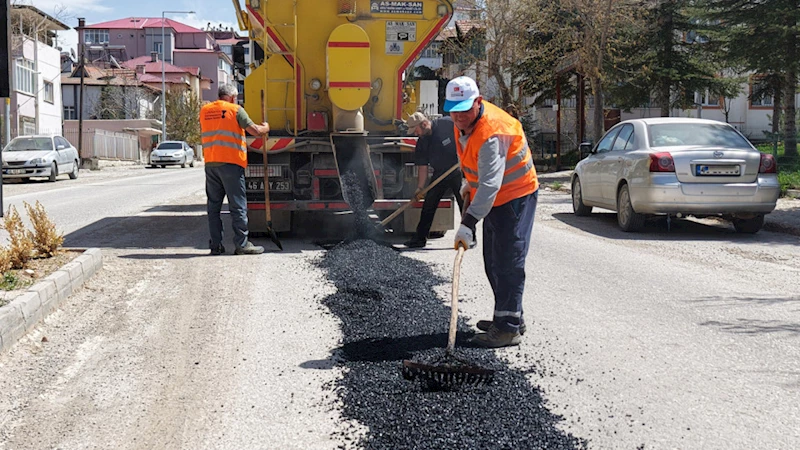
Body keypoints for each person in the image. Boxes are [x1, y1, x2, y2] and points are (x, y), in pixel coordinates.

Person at [444, 76, 539, 348]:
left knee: (508, 260)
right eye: (454, 110)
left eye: (464, 109)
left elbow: (489, 185)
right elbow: (471, 163)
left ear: (478, 101)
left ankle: (508, 328)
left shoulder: (492, 133)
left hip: (515, 196)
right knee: (493, 261)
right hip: (495, 197)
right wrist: (466, 184)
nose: (459, 116)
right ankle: (508, 316)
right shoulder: (462, 124)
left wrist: (468, 223)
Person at [200, 83, 270, 255]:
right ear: (232, 97)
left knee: (213, 207)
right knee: (237, 205)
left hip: (211, 164)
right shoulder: (235, 110)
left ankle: (216, 245)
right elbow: (254, 130)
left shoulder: (205, 110)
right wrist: (266, 127)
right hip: (230, 164)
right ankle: (242, 244)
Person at [403, 112, 465, 248]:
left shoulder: (447, 124)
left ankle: (469, 236)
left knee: (464, 204)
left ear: (424, 124)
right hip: (440, 175)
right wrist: (420, 188)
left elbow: (466, 134)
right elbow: (423, 168)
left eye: (416, 130)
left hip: (457, 170)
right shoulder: (422, 143)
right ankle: (420, 239)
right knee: (428, 205)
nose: (415, 134)